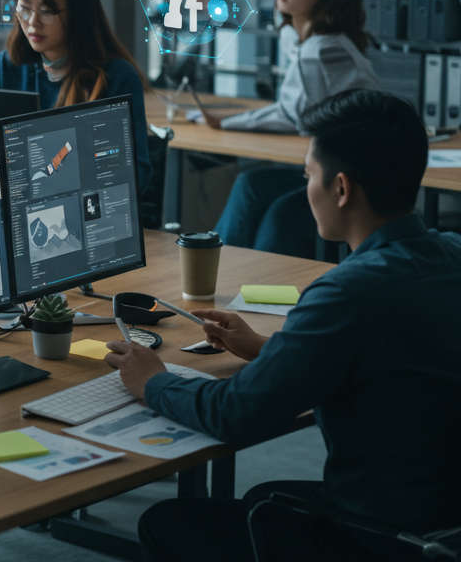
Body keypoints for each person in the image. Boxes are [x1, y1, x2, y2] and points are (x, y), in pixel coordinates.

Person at [105, 89, 461, 560]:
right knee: (262, 498)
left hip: (382, 538)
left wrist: (153, 382)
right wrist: (266, 348)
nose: (305, 187)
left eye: (308, 174)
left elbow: (236, 414)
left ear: (341, 188)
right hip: (444, 521)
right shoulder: (451, 254)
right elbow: (387, 356)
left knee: (167, 523)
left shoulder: (347, 292)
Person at [210, 0, 380, 259]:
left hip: (350, 181)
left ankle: (237, 279)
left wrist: (227, 121)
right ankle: (216, 270)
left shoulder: (322, 51)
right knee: (250, 184)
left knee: (279, 212)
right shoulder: (311, 40)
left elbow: (295, 118)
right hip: (329, 166)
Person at [0, 0, 152, 190]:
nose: (33, 22)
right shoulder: (6, 69)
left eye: (47, 11)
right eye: (25, 7)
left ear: (77, 13)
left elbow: (135, 177)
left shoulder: (117, 79)